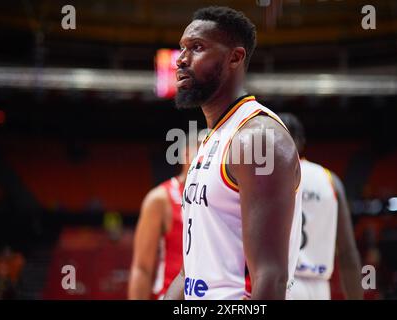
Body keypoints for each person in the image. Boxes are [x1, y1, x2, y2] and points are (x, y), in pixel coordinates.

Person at [165, 6, 302, 300]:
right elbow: (191, 269)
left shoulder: (258, 139)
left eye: (197, 47)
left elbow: (271, 277)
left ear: (235, 57)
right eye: (182, 49)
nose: (181, 59)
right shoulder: (211, 141)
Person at [278, 113, 363, 300]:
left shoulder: (266, 178)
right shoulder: (330, 180)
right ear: (301, 141)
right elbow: (348, 253)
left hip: (281, 285)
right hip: (319, 289)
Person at [128, 142, 197, 300]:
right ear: (186, 155)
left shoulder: (220, 196)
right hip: (170, 294)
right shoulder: (160, 199)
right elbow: (142, 268)